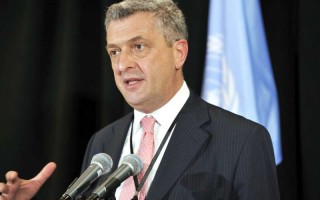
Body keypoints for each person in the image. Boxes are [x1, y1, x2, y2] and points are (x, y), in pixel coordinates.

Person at [0, 0, 280, 199]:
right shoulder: (103, 144)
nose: (123, 65)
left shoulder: (242, 140)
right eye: (114, 51)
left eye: (138, 46)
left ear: (178, 53)